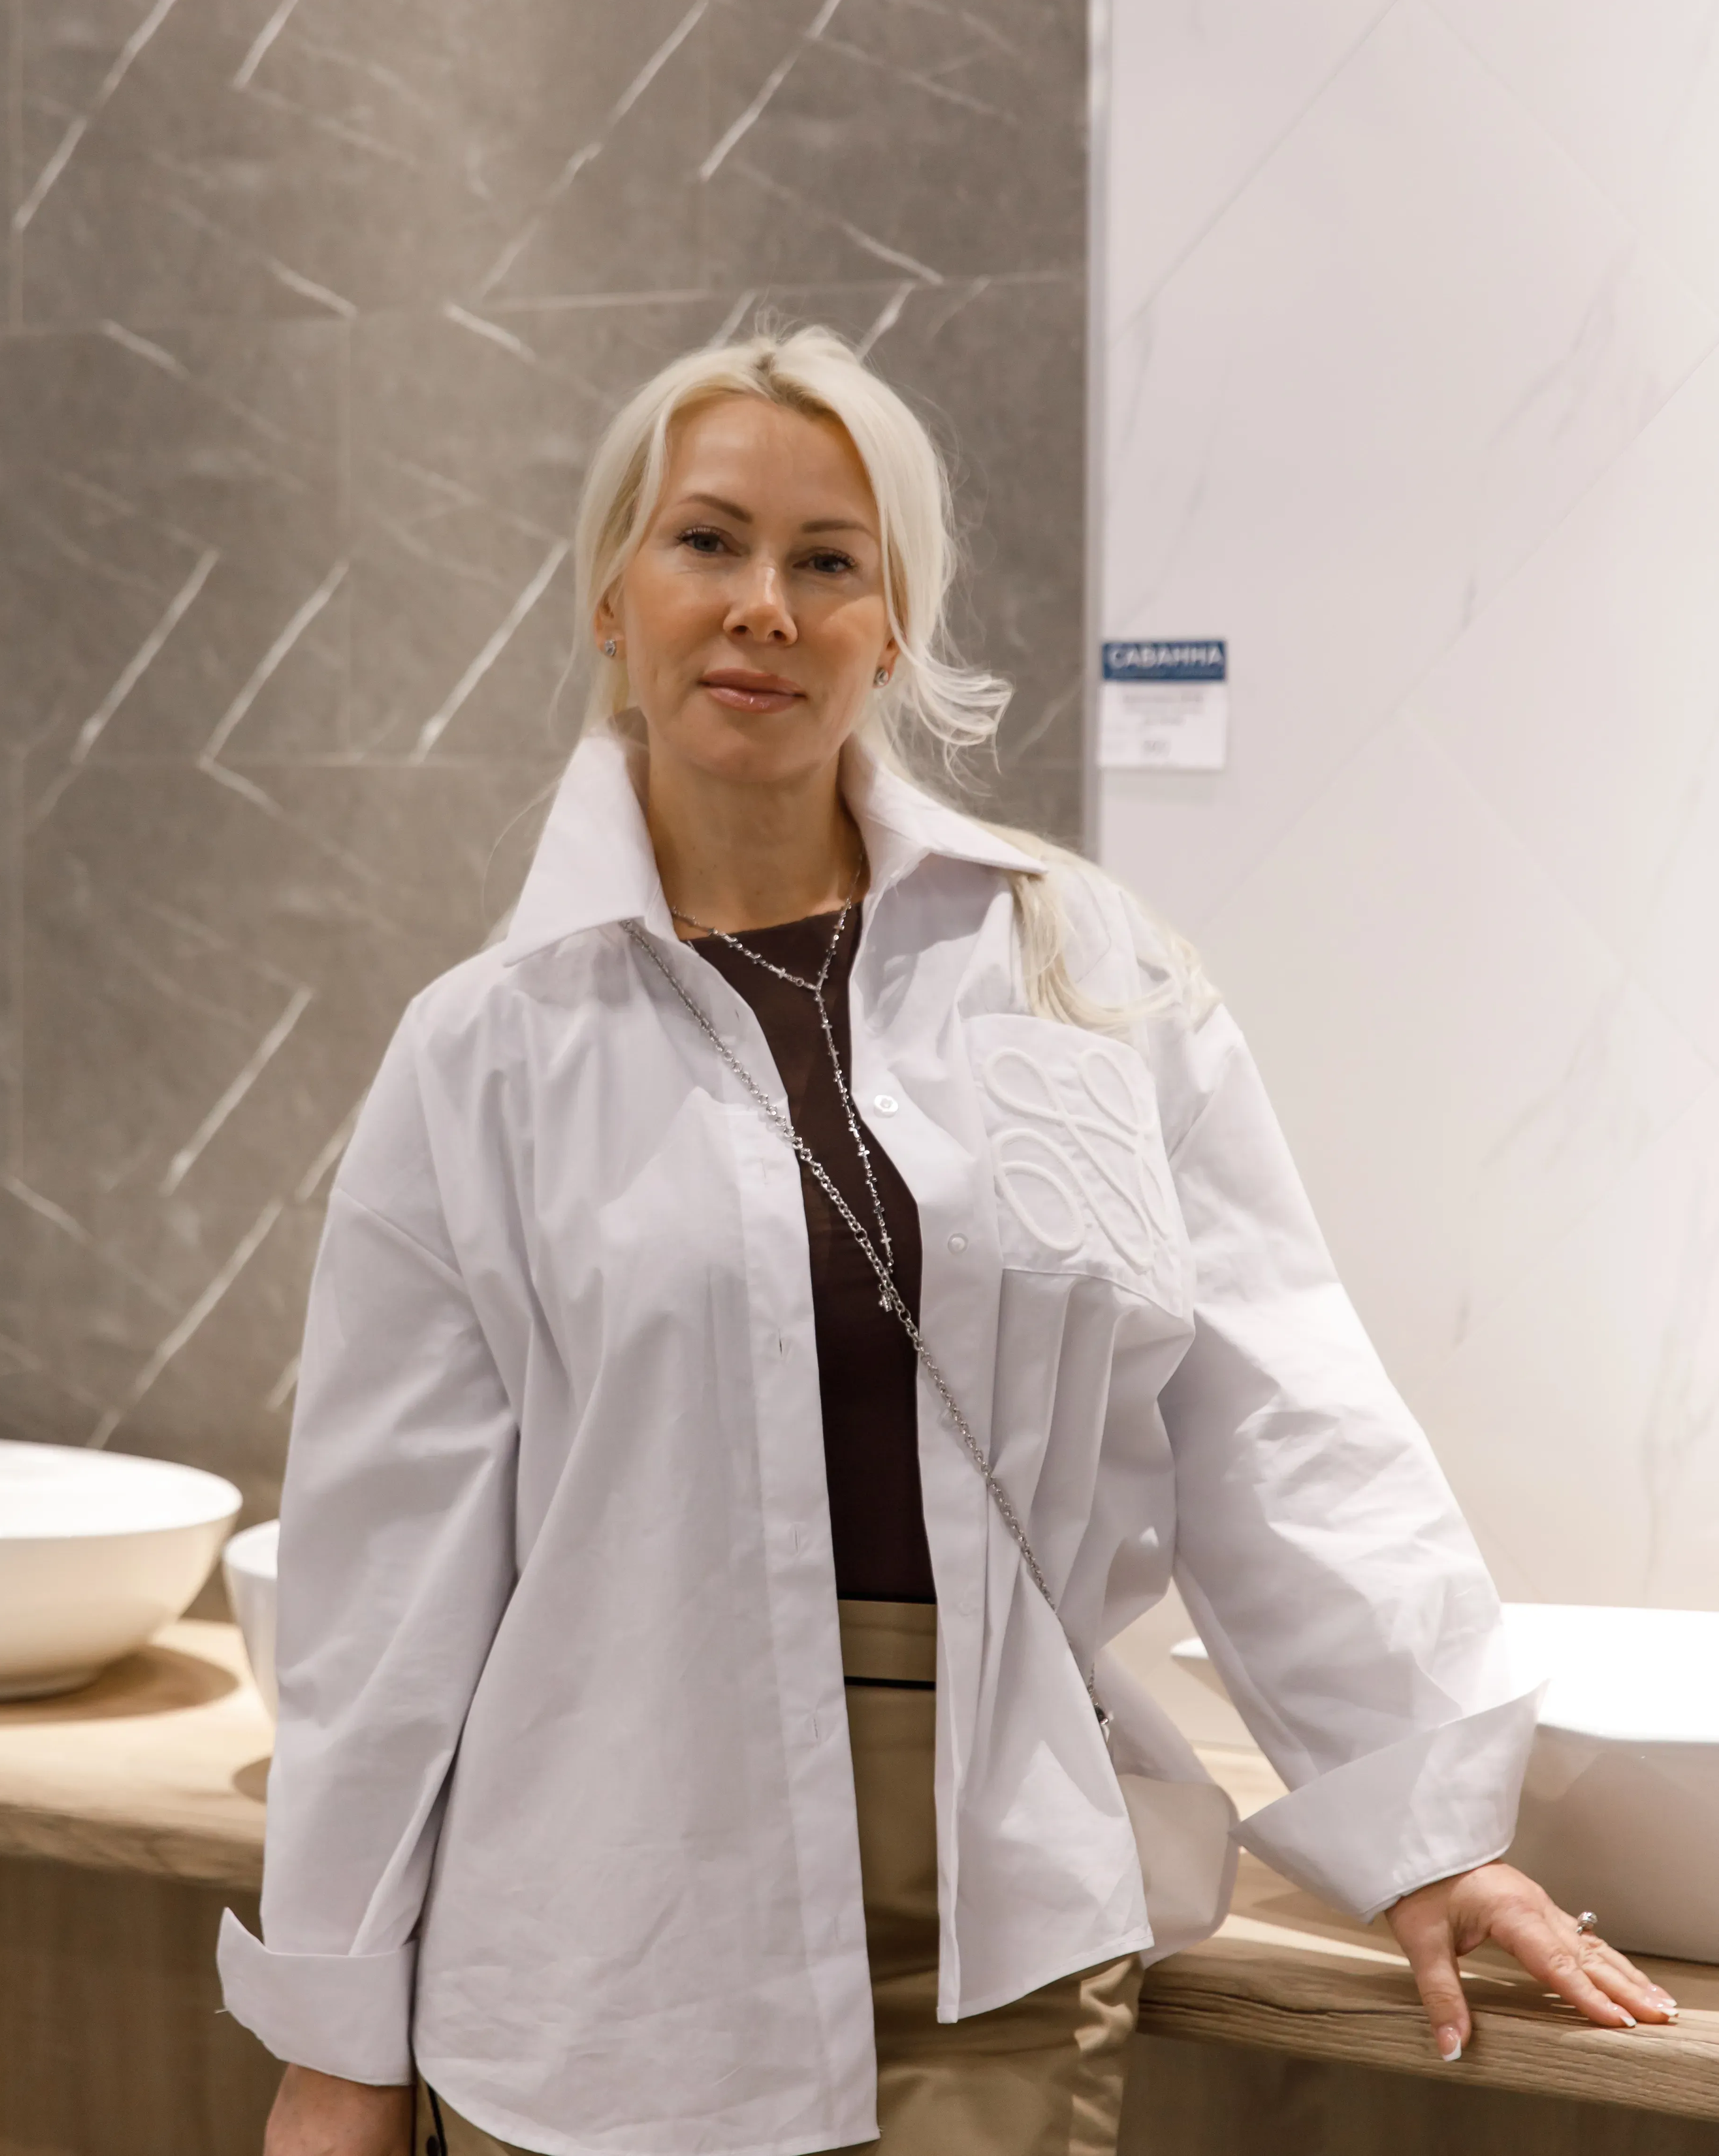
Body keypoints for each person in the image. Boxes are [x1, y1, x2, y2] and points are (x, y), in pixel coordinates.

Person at [219, 327, 1675, 2156]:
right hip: (611, 1912)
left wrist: (1422, 1820)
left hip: (1002, 1891)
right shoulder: (487, 1047)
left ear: (889, 622)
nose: (762, 603)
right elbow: (387, 1582)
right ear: (612, 595)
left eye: (826, 559)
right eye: (707, 542)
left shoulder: (1080, 969)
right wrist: (338, 2029)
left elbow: (1269, 1409)